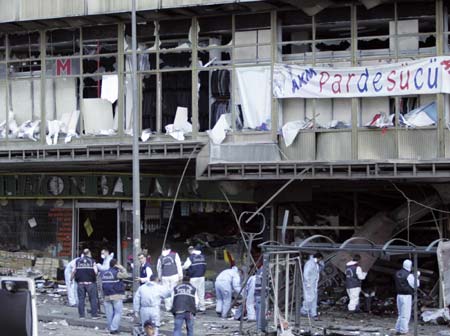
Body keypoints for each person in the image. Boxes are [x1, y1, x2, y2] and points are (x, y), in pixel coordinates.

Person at [100, 258, 128, 335]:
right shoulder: (116, 273)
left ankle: (110, 328)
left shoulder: (104, 273)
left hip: (106, 295)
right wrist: (122, 268)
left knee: (109, 314)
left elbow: (101, 285)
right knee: (118, 312)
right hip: (116, 295)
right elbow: (126, 275)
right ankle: (113, 329)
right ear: (116, 265)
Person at [71, 248, 99, 319]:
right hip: (91, 283)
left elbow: (73, 271)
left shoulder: (77, 261)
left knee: (81, 299)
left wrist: (71, 279)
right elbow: (96, 272)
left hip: (80, 283)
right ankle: (94, 315)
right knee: (93, 299)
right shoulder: (92, 261)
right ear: (89, 253)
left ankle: (82, 315)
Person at [394, 259, 420, 335]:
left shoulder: (397, 273)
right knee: (405, 315)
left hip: (399, 295)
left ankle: (398, 329)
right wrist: (417, 276)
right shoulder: (409, 275)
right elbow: (416, 285)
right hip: (407, 296)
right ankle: (404, 331)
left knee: (400, 314)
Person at [156, 245, 183, 311]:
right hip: (174, 275)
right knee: (174, 291)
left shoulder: (160, 257)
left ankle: (168, 307)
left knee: (166, 292)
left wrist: (159, 277)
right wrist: (180, 276)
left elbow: (158, 268)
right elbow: (178, 265)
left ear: (164, 249)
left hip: (164, 276)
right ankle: (174, 306)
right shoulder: (175, 254)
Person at [300, 252, 324, 320]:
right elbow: (306, 273)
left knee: (314, 299)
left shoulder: (315, 264)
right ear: (319, 258)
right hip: (309, 284)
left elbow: (317, 272)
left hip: (313, 284)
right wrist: (308, 283)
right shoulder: (310, 263)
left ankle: (313, 313)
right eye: (321, 259)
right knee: (309, 298)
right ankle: (304, 310)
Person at [182, 245, 206, 312]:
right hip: (202, 277)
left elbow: (185, 267)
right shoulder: (203, 257)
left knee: (194, 292)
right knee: (201, 292)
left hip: (193, 277)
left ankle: (194, 306)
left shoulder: (191, 257)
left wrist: (182, 267)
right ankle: (202, 308)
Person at [246, 264, 263, 330]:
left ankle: (251, 317)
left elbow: (246, 286)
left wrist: (245, 294)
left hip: (251, 291)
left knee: (249, 303)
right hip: (258, 291)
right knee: (257, 305)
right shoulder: (259, 277)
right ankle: (257, 317)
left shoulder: (251, 278)